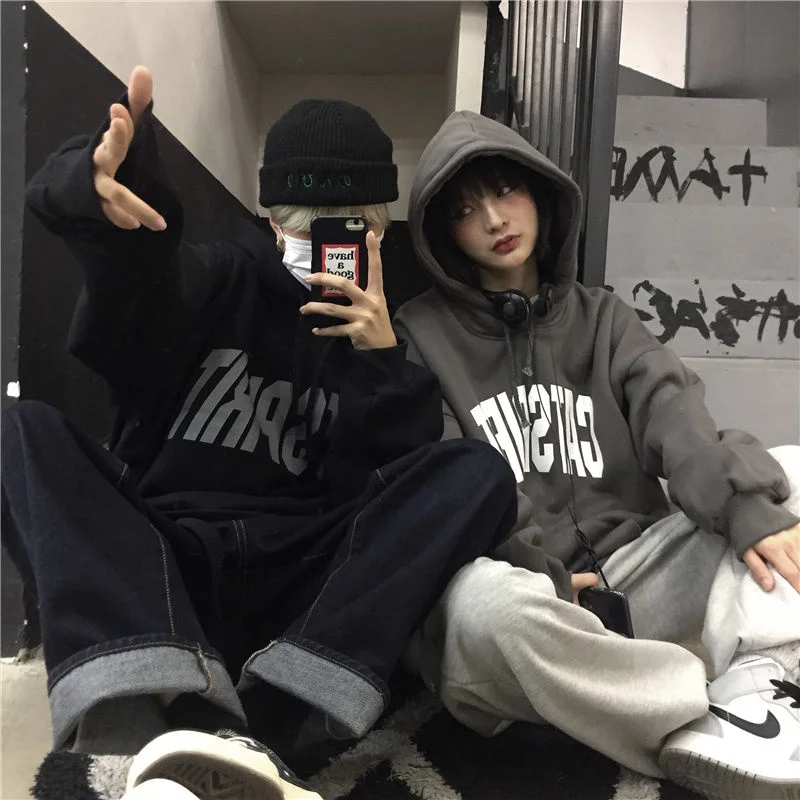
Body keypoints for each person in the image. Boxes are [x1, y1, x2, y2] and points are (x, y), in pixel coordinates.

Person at [1, 68, 518, 800]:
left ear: (378, 230)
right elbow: (141, 288)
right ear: (272, 222)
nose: (326, 244)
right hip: (173, 559)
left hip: (305, 581)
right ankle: (146, 700)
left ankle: (274, 714)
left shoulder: (386, 339)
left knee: (478, 471)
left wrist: (379, 362)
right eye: (306, 225)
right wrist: (99, 216)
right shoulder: (219, 277)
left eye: (350, 227)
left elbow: (386, 497)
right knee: (19, 430)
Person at [393, 109, 800, 800]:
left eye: (507, 191)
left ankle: (727, 695)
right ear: (442, 235)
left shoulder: (603, 318)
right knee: (483, 609)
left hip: (635, 581)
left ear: (540, 194)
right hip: (531, 599)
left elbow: (676, 416)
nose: (494, 219)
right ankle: (703, 707)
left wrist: (743, 507)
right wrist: (537, 571)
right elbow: (443, 481)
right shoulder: (421, 334)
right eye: (464, 210)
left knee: (786, 472)